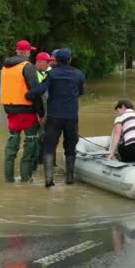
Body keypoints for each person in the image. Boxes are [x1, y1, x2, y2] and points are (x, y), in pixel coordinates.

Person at [25, 48, 85, 188]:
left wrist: (27, 95)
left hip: (54, 117)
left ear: (56, 60)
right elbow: (81, 91)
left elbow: (40, 89)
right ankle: (70, 179)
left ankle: (48, 180)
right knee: (70, 147)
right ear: (70, 60)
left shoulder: (52, 74)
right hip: (71, 117)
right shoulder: (78, 74)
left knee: (49, 146)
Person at [0, 39, 45, 183]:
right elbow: (35, 91)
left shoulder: (5, 67)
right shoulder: (27, 67)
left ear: (16, 51)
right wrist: (41, 113)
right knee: (31, 142)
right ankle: (26, 178)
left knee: (13, 140)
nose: (30, 53)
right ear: (26, 52)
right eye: (30, 51)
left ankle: (9, 179)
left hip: (10, 110)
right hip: (26, 110)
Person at [33, 52, 54, 172]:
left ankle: (41, 161)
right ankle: (36, 162)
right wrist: (40, 114)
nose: (49, 64)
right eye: (47, 62)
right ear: (40, 62)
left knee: (45, 135)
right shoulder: (33, 73)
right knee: (39, 135)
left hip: (47, 107)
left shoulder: (47, 71)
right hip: (39, 108)